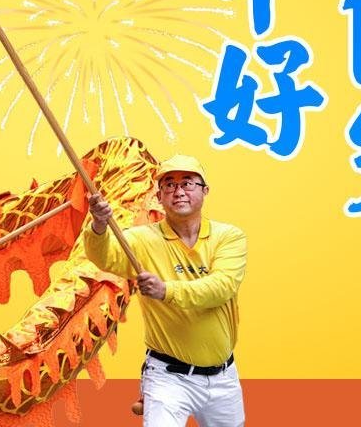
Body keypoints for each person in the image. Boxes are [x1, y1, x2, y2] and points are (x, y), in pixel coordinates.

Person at [86, 155, 247, 427]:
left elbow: (222, 287)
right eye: (169, 185)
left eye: (188, 183)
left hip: (223, 376)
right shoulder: (141, 239)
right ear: (159, 196)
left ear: (205, 191)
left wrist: (165, 290)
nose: (178, 191)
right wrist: (99, 226)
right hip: (168, 377)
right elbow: (105, 257)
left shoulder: (228, 237)